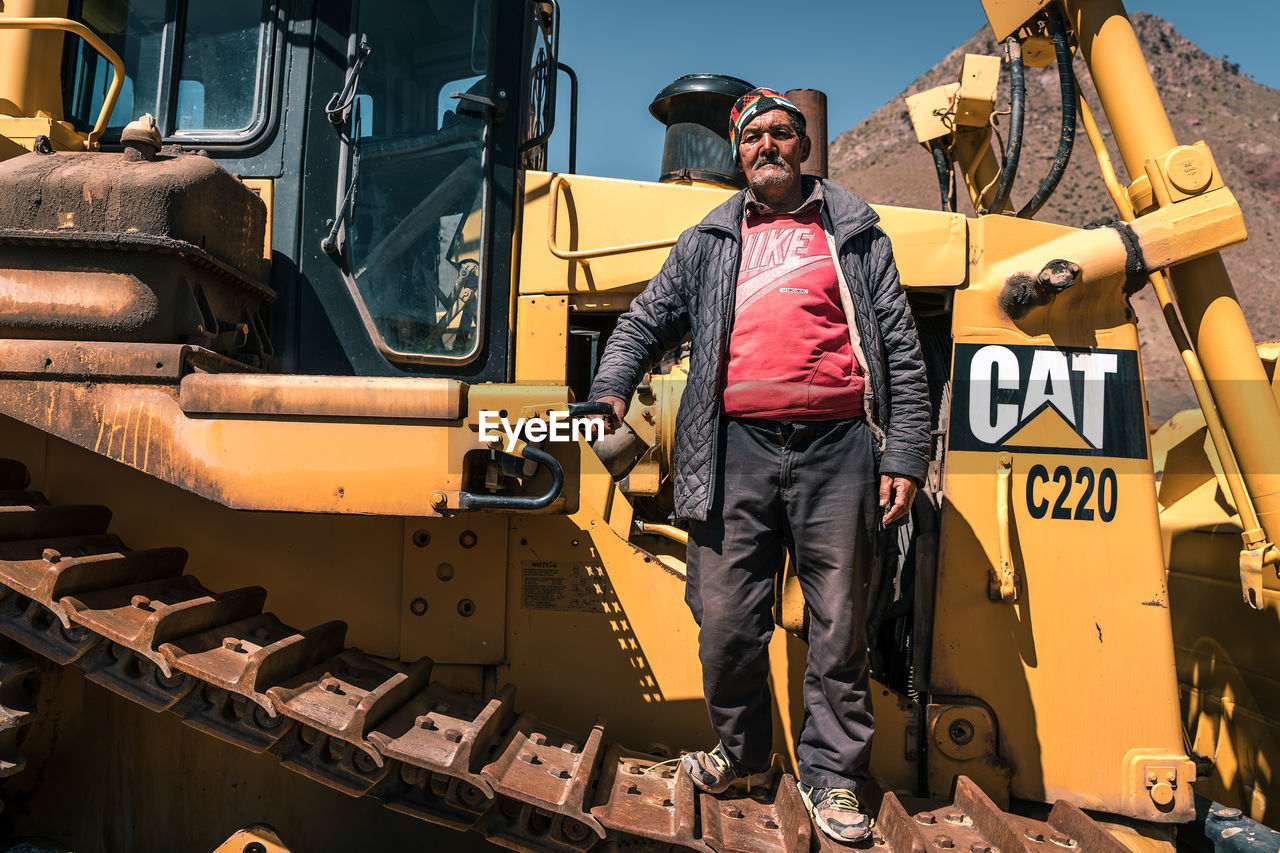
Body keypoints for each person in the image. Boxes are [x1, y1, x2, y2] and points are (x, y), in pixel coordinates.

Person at [587, 87, 930, 843]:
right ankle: (742, 753)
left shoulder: (854, 231)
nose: (767, 146)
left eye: (782, 133)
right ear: (737, 152)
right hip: (734, 447)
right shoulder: (708, 239)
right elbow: (644, 318)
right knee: (726, 622)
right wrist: (611, 387)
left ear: (803, 149)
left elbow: (901, 349)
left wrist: (902, 450)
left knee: (840, 623)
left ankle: (834, 779)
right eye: (753, 137)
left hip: (837, 448)